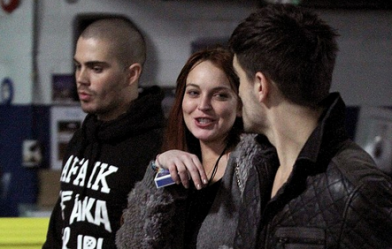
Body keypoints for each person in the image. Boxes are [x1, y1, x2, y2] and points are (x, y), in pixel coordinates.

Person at [229, 3, 392, 249]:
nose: (237, 93)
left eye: (239, 80)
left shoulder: (357, 189)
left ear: (260, 86)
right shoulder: (260, 170)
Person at [116, 46, 278, 249]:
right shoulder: (170, 162)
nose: (203, 105)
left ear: (239, 105)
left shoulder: (255, 168)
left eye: (220, 95)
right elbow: (131, 245)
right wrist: (156, 173)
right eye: (193, 92)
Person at [42, 17, 165, 248]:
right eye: (78, 66)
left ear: (132, 74)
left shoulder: (158, 148)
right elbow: (60, 227)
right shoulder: (81, 139)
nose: (81, 79)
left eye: (96, 68)